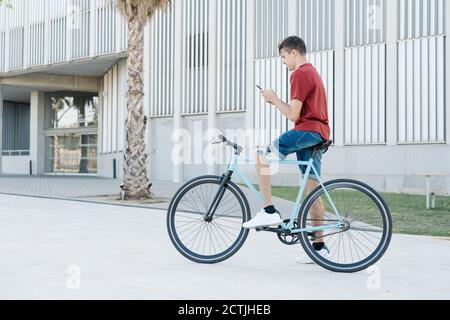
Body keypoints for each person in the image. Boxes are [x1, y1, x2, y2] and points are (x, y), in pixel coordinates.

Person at [242, 36, 331, 262]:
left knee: (261, 155)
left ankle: (269, 211)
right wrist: (276, 101)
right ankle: (319, 247)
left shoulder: (299, 74)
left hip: (307, 131)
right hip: (319, 133)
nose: (283, 62)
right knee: (312, 191)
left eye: (283, 56)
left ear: (293, 52)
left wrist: (274, 98)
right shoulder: (313, 72)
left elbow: (293, 115)